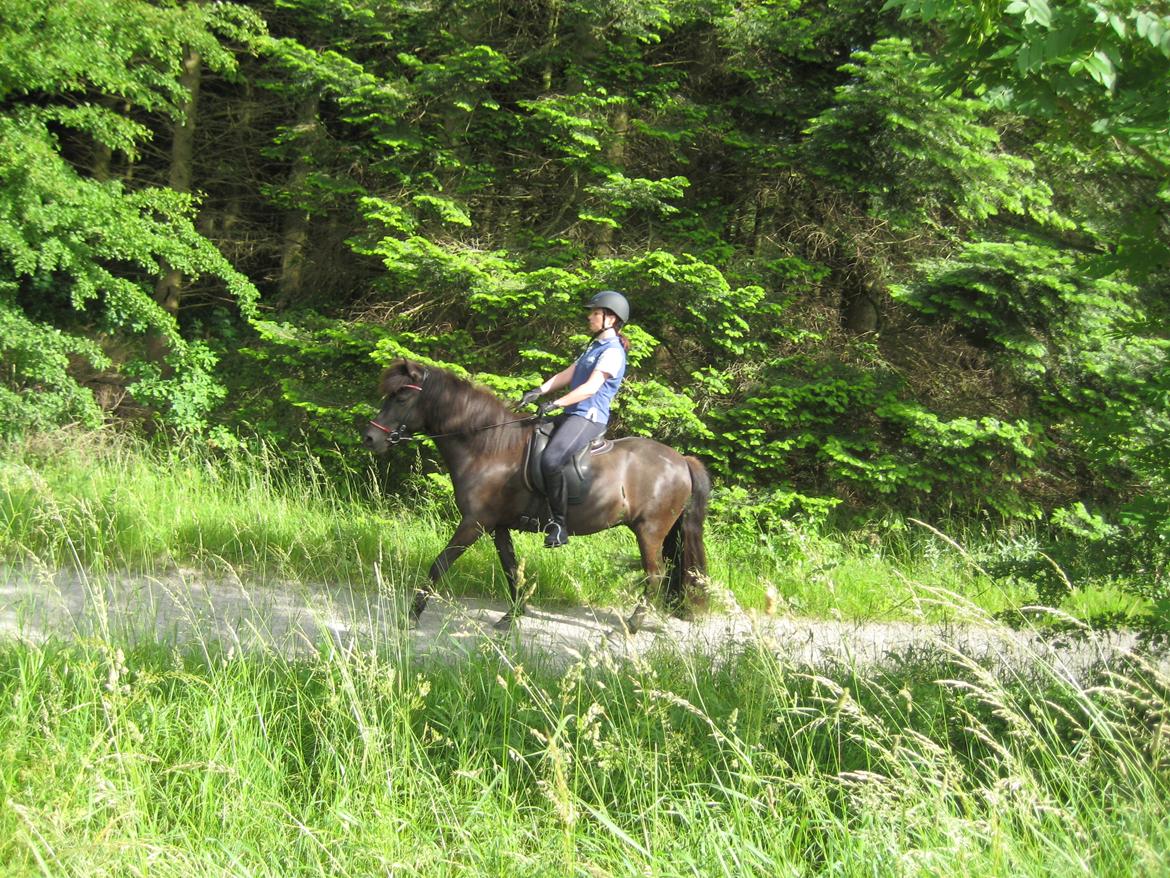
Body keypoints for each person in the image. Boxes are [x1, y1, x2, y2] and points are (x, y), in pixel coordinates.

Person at [518, 290, 630, 547]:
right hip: (572, 413)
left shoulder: (612, 352)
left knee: (551, 459)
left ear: (610, 319)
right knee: (529, 434)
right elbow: (569, 373)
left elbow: (590, 388)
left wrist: (555, 403)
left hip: (589, 417)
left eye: (595, 313)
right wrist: (539, 391)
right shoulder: (595, 346)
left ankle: (559, 525)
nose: (589, 317)